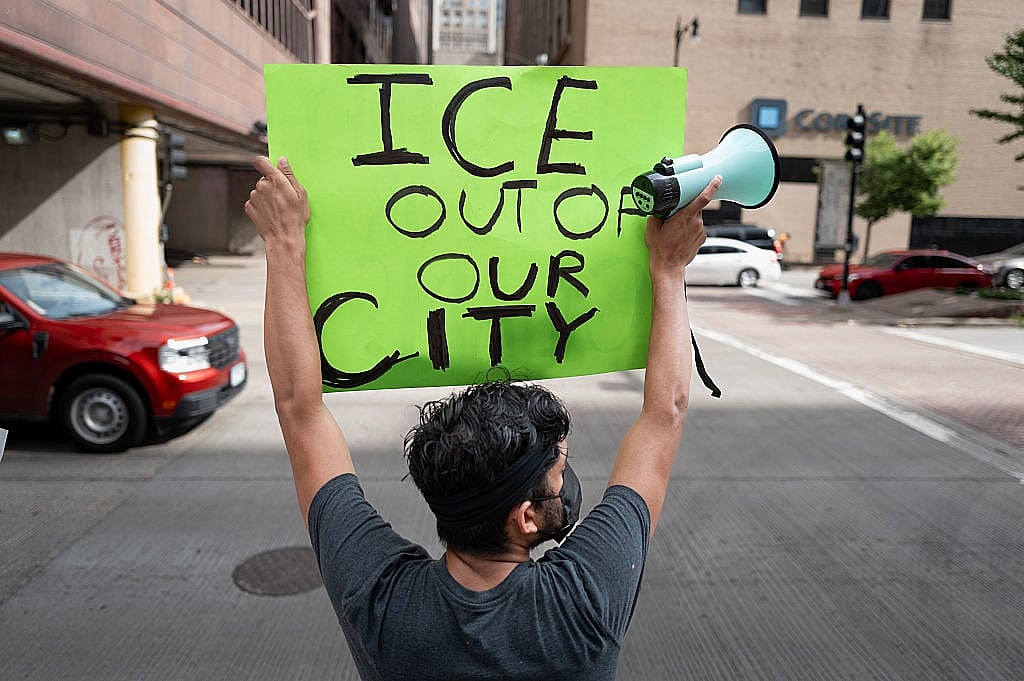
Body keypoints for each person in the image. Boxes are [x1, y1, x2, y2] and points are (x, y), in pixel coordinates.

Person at [244, 156, 721, 681]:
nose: (567, 482)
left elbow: (299, 409)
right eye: (558, 472)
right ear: (526, 519)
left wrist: (283, 244)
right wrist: (669, 269)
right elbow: (664, 414)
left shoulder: (381, 602)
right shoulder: (585, 601)